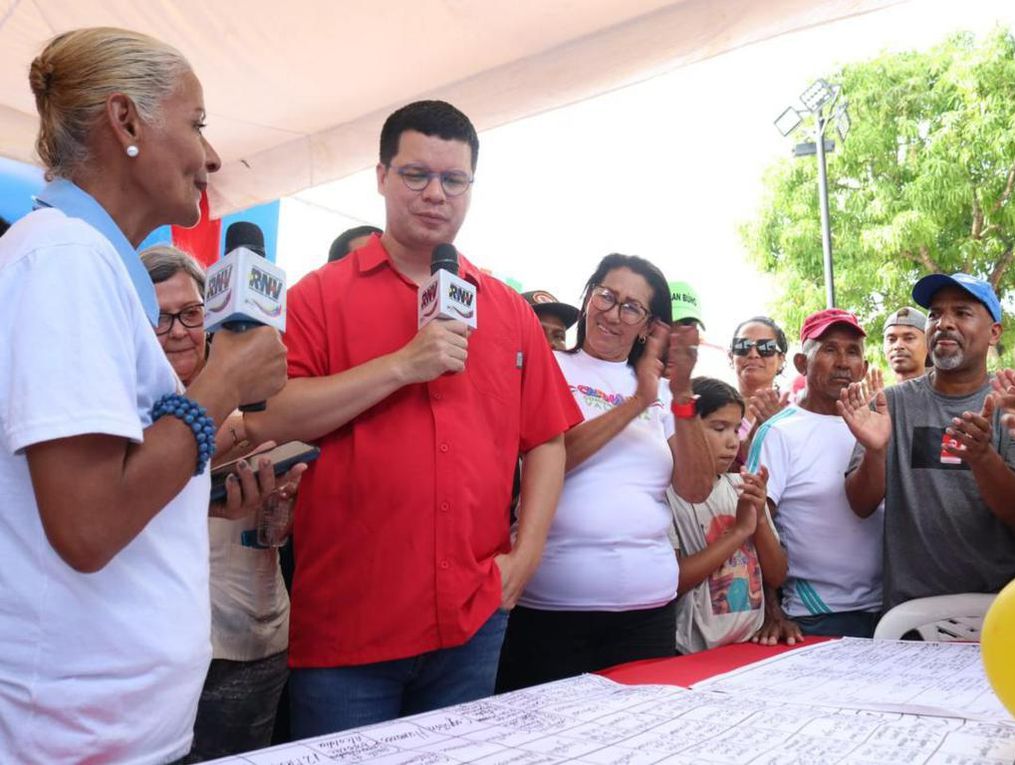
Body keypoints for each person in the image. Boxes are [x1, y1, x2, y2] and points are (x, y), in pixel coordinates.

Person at [244, 100, 580, 736]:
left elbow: (547, 440)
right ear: (380, 176)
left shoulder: (506, 309)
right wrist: (402, 365)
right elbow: (270, 420)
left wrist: (526, 556)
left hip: (473, 619)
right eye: (416, 175)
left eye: (454, 180)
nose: (435, 195)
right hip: (349, 630)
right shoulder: (316, 297)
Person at [0, 27, 287, 763]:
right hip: (73, 733)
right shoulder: (64, 259)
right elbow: (89, 522)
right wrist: (222, 381)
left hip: (111, 722)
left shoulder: (87, 262)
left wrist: (197, 494)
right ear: (125, 122)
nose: (212, 156)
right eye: (195, 124)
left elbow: (110, 485)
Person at [496, 253, 716, 692]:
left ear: (650, 325)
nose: (613, 314)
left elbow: (696, 488)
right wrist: (635, 402)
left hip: (647, 610)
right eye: (606, 296)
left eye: (631, 307)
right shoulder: (550, 365)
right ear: (588, 297)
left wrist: (683, 390)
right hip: (551, 611)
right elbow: (549, 459)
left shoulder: (665, 392)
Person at [142, 245, 298, 761]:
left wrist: (280, 511)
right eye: (160, 319)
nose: (180, 330)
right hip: (154, 652)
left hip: (251, 639)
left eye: (190, 313)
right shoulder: (121, 404)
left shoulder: (262, 395)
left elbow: (276, 534)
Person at [842, 273, 1015, 610]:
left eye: (962, 313)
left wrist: (983, 458)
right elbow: (860, 504)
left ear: (994, 332)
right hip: (908, 613)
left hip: (999, 611)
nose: (944, 324)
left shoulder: (1011, 405)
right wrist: (877, 453)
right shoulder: (888, 405)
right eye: (936, 314)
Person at [747, 309, 883, 638]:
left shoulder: (878, 423)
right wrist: (771, 612)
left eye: (853, 352)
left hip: (889, 608)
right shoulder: (779, 432)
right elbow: (751, 526)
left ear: (863, 368)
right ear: (801, 364)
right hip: (816, 615)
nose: (843, 362)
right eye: (829, 349)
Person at [667, 377, 786, 654]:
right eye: (719, 428)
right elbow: (673, 580)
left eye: (736, 429)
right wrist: (740, 531)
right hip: (692, 651)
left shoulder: (741, 487)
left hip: (751, 643)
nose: (733, 442)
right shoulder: (668, 495)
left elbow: (777, 575)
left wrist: (757, 521)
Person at [729, 316, 790, 466]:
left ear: (781, 359)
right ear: (731, 356)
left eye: (766, 347)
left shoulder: (794, 410)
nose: (753, 354)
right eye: (743, 346)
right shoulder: (714, 407)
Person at [883, 306, 928, 383]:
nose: (898, 346)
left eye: (909, 338)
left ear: (928, 344)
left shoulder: (948, 392)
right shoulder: (880, 394)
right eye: (891, 339)